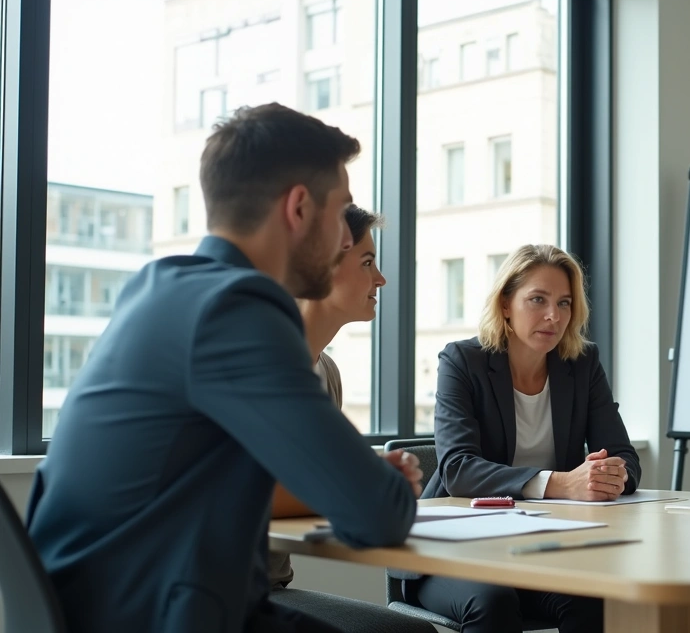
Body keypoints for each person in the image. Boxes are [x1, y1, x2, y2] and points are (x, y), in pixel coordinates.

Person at [26, 103, 421, 633]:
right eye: (340, 212)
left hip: (105, 605)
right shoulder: (237, 308)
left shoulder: (159, 287)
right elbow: (378, 513)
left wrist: (357, 477)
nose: (347, 241)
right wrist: (368, 479)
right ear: (299, 208)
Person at [407, 243, 642, 633]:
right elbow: (458, 470)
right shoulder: (463, 362)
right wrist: (561, 483)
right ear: (504, 305)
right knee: (494, 603)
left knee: (597, 600)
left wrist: (611, 476)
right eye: (538, 299)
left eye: (565, 303)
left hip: (542, 549)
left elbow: (625, 459)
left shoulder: (582, 364)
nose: (553, 315)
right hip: (453, 551)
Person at [264, 204, 430, 633]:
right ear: (321, 268)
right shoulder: (261, 361)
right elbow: (250, 488)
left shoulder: (327, 373)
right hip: (224, 594)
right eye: (368, 262)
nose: (380, 279)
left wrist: (367, 474)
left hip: (269, 584)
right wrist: (360, 481)